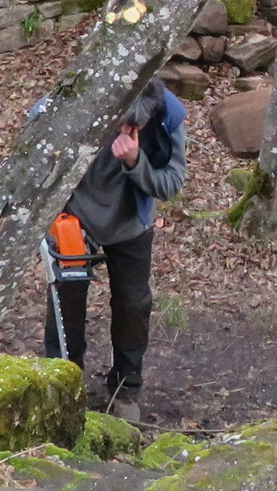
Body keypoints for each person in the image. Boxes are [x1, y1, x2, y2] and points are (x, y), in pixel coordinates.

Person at [44, 79, 186, 422]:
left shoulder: (169, 116)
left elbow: (171, 184)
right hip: (75, 217)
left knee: (133, 304)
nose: (124, 131)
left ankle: (126, 389)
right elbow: (34, 148)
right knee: (66, 299)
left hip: (130, 221)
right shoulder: (75, 95)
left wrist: (136, 161)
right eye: (120, 122)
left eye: (135, 126)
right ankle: (64, 384)